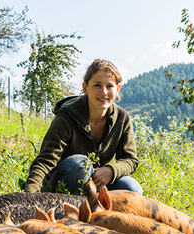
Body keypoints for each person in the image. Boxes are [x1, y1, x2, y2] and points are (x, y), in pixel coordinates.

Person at [24, 59, 143, 195]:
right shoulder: (66, 117)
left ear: (117, 89)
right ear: (85, 87)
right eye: (97, 85)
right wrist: (30, 196)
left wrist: (111, 170)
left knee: (132, 188)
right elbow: (45, 162)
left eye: (109, 86)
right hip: (65, 181)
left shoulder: (122, 118)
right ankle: (72, 211)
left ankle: (102, 214)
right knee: (82, 165)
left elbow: (130, 160)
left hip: (97, 181)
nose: (104, 92)